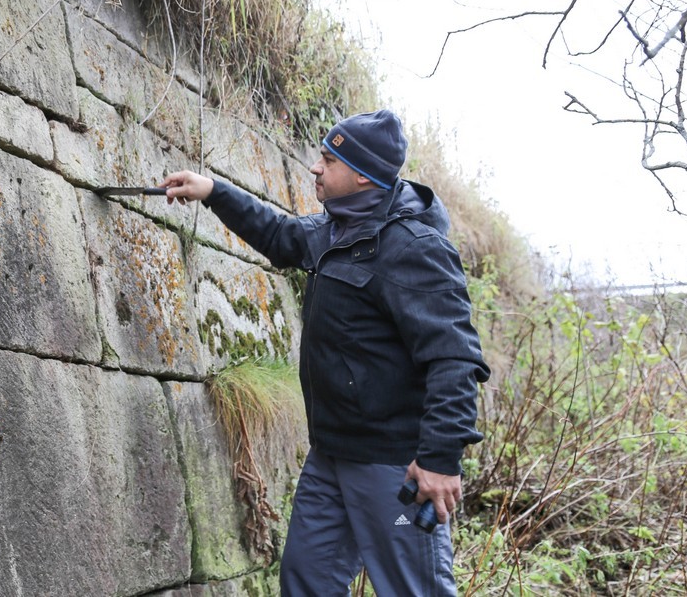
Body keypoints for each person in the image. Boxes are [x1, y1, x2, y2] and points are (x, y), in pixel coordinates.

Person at [162, 109, 489, 597]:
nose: (316, 167)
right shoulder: (337, 230)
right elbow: (278, 234)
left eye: (328, 159)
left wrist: (440, 459)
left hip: (393, 467)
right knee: (305, 583)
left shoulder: (413, 248)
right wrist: (213, 192)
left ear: (361, 174)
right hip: (331, 457)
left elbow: (455, 358)